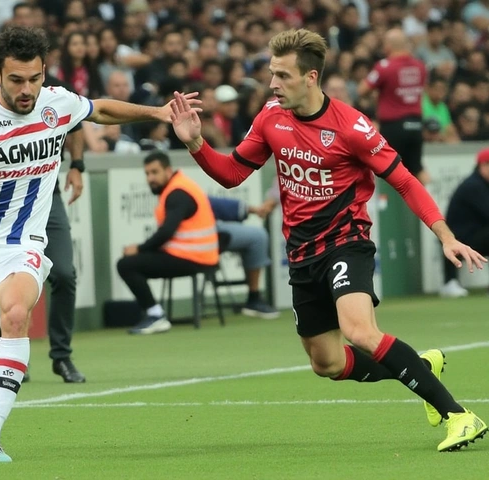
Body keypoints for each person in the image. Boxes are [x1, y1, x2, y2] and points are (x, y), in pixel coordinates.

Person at [169, 28, 488, 452]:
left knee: (359, 331)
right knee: (327, 363)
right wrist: (195, 142)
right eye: (271, 74)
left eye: (282, 75)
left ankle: (460, 416)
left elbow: (406, 182)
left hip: (345, 241)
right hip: (301, 253)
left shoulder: (352, 127)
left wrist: (444, 234)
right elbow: (232, 174)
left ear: (311, 77)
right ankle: (419, 367)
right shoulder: (270, 118)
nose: (272, 84)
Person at [0, 26, 201, 463]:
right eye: (17, 80)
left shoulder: (57, 102)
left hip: (22, 243)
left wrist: (158, 113)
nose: (27, 90)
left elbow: (101, 110)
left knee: (15, 314)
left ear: (44, 74)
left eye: (35, 79)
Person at [0, 117, 87, 384]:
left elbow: (77, 124)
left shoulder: (58, 96)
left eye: (34, 77)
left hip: (47, 198)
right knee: (5, 274)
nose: (26, 86)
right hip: (6, 201)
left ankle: (61, 356)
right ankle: (9, 355)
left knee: (65, 273)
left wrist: (77, 165)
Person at [117, 150, 219, 335]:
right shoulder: (179, 186)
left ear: (168, 170)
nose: (150, 178)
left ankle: (156, 315)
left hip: (191, 257)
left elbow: (166, 233)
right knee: (132, 262)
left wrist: (139, 248)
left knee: (126, 265)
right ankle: (155, 313)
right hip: (195, 255)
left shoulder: (177, 193)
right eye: (147, 174)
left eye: (155, 172)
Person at [358, 28, 429, 184]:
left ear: (388, 46)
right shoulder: (420, 66)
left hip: (394, 126)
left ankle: (388, 207)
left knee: (388, 168)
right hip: (416, 124)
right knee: (416, 169)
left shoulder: (385, 66)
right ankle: (430, 203)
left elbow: (362, 90)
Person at [207, 196, 279, 319]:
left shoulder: (180, 184)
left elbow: (213, 204)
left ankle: (254, 298)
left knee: (257, 236)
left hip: (203, 232)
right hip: (190, 239)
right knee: (258, 236)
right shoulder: (174, 189)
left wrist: (254, 210)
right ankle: (254, 298)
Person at [439, 148, 489, 298]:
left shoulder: (482, 184)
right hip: (459, 238)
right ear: (483, 166)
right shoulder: (474, 186)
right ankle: (450, 282)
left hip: (471, 235)